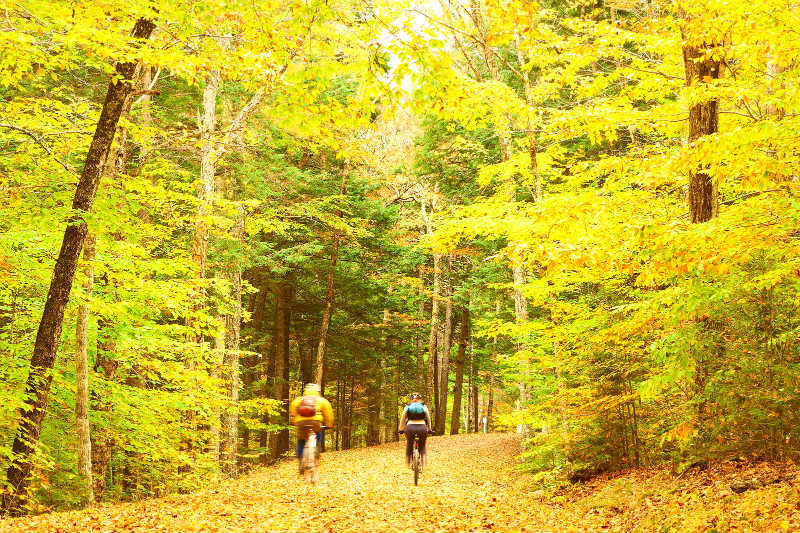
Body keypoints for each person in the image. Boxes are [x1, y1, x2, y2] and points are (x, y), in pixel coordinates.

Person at [289, 383, 334, 475]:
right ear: (318, 391)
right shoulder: (321, 400)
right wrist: (329, 424)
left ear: (305, 391)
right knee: (318, 434)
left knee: (301, 440)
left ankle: (301, 459)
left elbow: (293, 410)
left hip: (301, 422)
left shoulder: (299, 400)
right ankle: (316, 451)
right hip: (315, 422)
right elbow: (328, 413)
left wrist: (294, 421)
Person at [398, 392, 432, 468]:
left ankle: (407, 463)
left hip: (410, 428)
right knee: (422, 445)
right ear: (420, 399)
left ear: (411, 399)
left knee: (409, 444)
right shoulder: (424, 406)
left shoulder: (408, 406)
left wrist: (401, 428)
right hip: (422, 428)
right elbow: (428, 418)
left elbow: (403, 417)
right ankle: (423, 463)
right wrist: (429, 428)